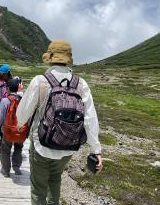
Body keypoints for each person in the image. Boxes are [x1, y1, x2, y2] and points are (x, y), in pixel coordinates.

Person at [16, 40, 103, 205]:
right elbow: (90, 118)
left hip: (41, 145)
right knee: (55, 180)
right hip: (68, 146)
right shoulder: (81, 84)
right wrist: (96, 150)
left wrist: (20, 124)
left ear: (50, 57)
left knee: (38, 188)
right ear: (68, 59)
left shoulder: (40, 81)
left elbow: (21, 116)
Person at [0, 78, 28, 177]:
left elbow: (0, 116)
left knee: (5, 149)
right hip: (21, 130)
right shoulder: (24, 100)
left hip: (7, 130)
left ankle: (5, 170)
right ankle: (16, 167)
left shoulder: (5, 100)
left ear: (8, 89)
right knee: (18, 148)